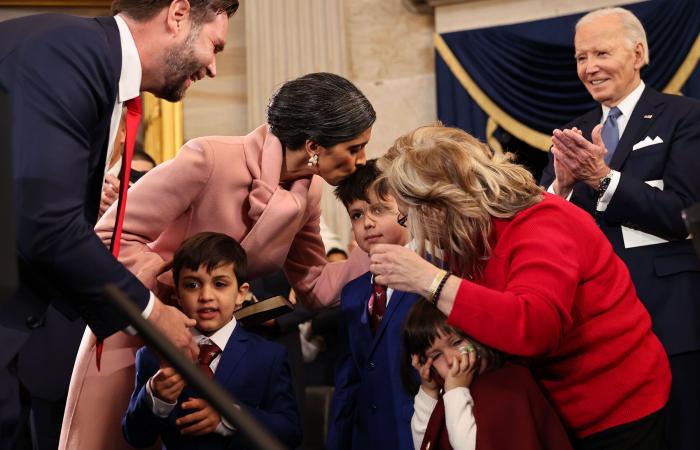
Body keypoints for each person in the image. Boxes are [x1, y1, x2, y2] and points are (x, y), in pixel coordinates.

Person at [62, 72, 376, 449]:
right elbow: (112, 236)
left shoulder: (309, 192)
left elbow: (313, 284)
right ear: (312, 145)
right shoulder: (209, 157)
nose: (361, 161)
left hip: (217, 350)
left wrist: (381, 251)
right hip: (137, 332)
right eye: (354, 148)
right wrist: (161, 304)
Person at [0, 1, 237, 448]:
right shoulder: (69, 54)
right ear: (179, 14)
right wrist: (149, 314)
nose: (214, 68)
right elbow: (48, 225)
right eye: (215, 45)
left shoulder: (89, 61)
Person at [369, 124, 671, 449]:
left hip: (614, 409)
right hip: (546, 406)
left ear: (439, 206)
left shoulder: (542, 223)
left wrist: (430, 280)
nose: (412, 225)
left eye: (410, 214)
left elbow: (535, 325)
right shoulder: (471, 233)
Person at [539, 8, 700, 449]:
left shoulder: (684, 116)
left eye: (601, 53)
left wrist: (603, 179)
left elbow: (684, 214)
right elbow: (541, 228)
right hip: (595, 330)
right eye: (580, 57)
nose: (589, 67)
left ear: (638, 53)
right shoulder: (573, 133)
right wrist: (562, 186)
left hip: (668, 318)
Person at [122, 232, 302, 449]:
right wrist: (154, 395)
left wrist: (230, 418)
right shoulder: (153, 355)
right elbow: (135, 436)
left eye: (219, 284)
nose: (206, 295)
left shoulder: (268, 356)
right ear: (177, 294)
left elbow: (291, 433)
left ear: (240, 294)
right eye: (192, 285)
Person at [326, 160, 421, 450]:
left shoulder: (433, 277)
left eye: (378, 210)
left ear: (404, 209)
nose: (366, 222)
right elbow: (348, 380)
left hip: (417, 433)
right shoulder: (354, 294)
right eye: (356, 215)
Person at [404, 299, 573, 450]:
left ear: (477, 334)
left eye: (456, 342)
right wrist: (429, 391)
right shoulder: (450, 389)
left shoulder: (507, 383)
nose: (451, 359)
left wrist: (456, 391)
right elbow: (426, 443)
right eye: (436, 355)